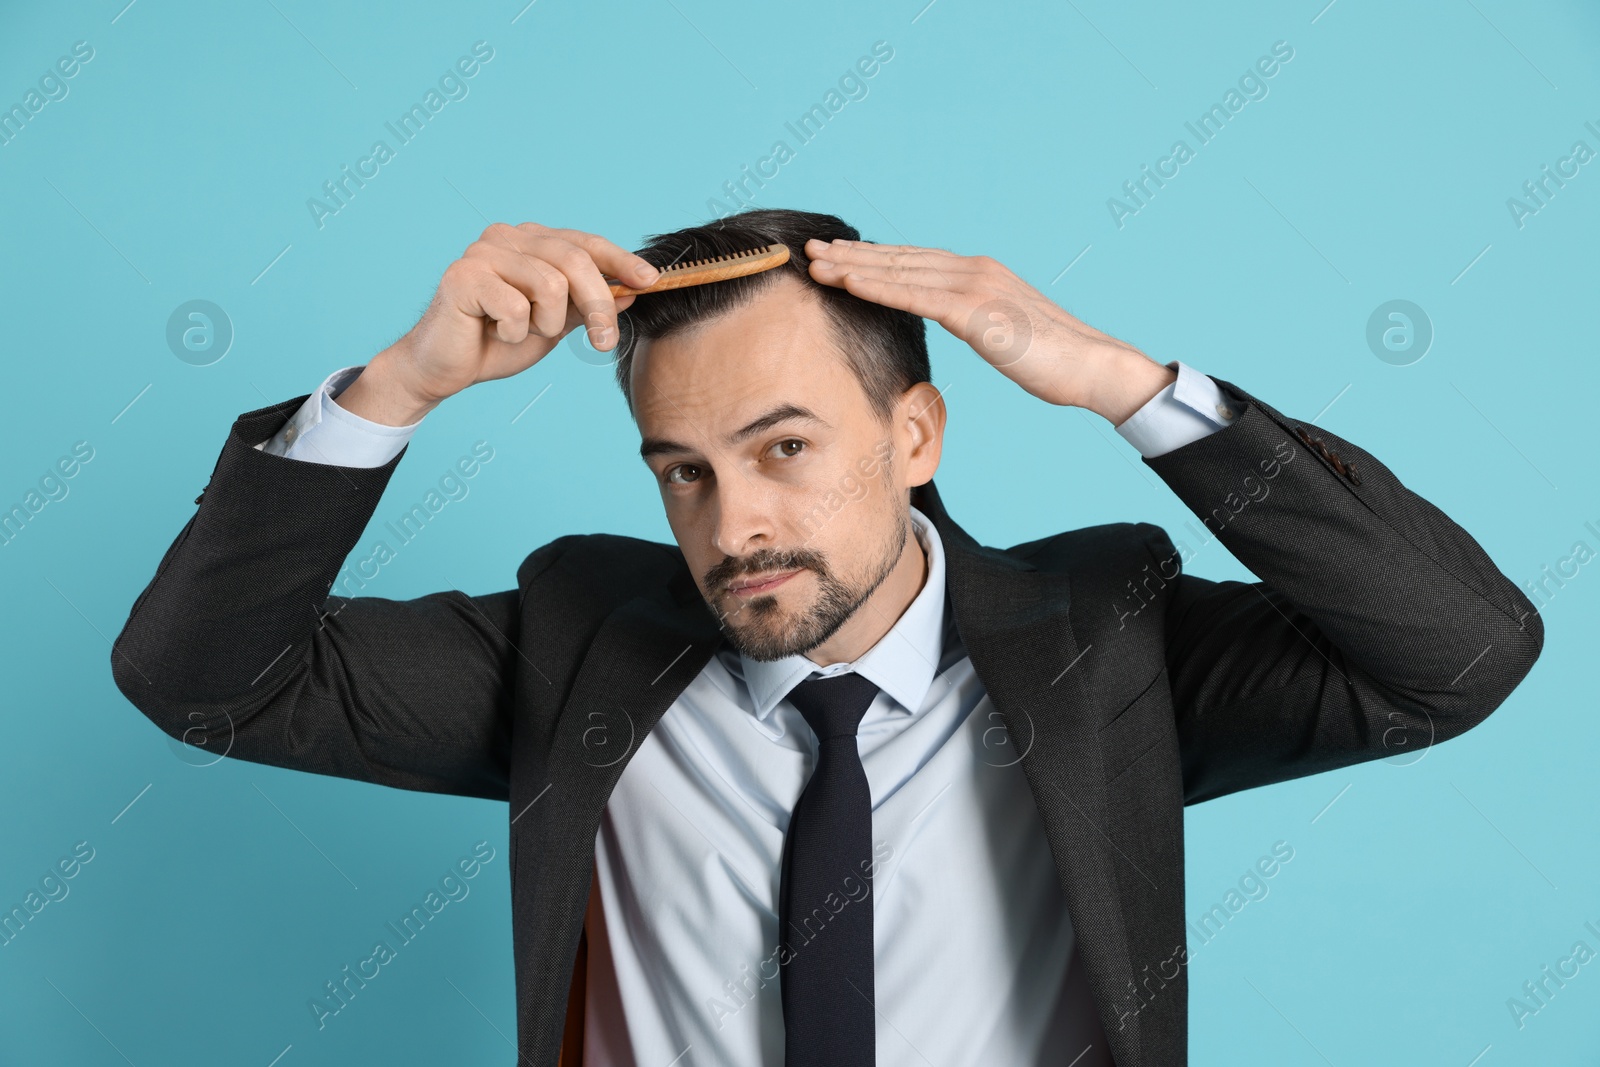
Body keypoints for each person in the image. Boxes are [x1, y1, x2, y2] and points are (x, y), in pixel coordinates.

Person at [111, 208, 1543, 1066]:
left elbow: (1459, 653)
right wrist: (398, 388)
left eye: (784, 444)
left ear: (913, 432)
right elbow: (203, 683)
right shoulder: (576, 648)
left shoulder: (1111, 644)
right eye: (683, 468)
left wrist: (1128, 387)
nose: (734, 525)